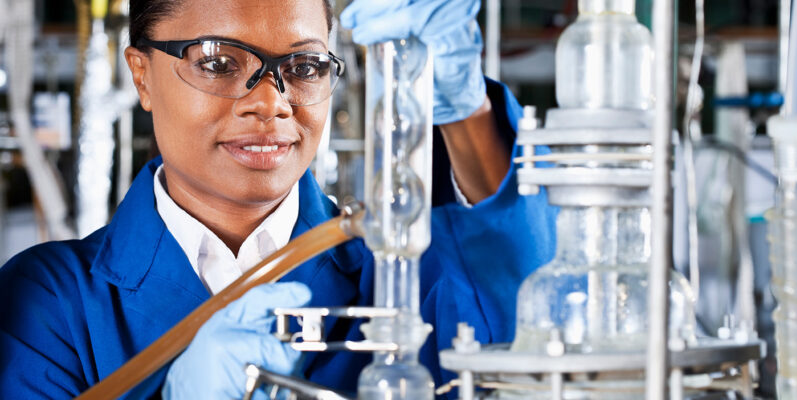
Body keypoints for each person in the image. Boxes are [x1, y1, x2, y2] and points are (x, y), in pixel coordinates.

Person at [0, 0, 557, 398]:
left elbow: (525, 324)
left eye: (303, 67)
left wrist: (466, 111)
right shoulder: (51, 303)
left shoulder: (401, 276)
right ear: (142, 76)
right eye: (218, 62)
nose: (271, 102)